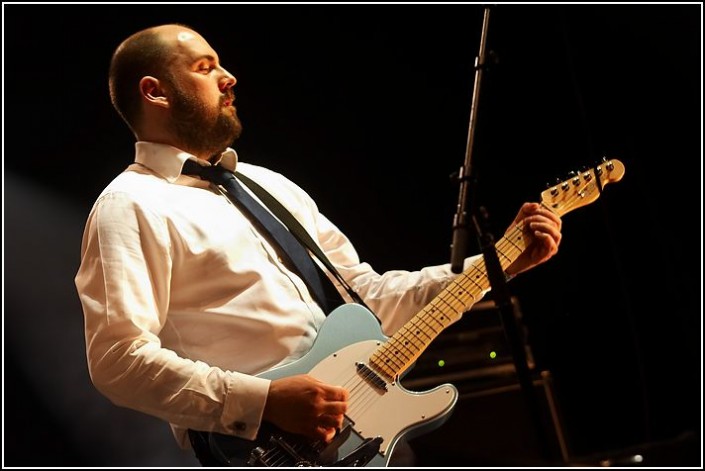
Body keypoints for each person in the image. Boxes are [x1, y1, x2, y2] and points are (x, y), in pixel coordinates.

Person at [74, 23, 563, 466]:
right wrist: (263, 401)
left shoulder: (268, 184)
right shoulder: (129, 204)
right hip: (268, 450)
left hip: (369, 436)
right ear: (155, 92)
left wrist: (498, 263)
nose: (229, 77)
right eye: (205, 67)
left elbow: (368, 297)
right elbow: (118, 360)